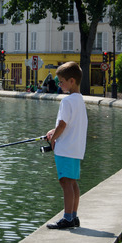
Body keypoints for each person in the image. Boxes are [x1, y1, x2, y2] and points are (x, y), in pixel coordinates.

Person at [45, 61, 88, 229]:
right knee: (72, 183)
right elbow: (69, 124)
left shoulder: (67, 101)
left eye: (61, 81)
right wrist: (53, 130)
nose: (59, 84)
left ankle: (68, 218)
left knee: (65, 183)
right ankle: (74, 216)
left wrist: (53, 138)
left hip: (65, 149)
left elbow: (63, 125)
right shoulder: (79, 100)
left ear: (72, 81)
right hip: (76, 148)